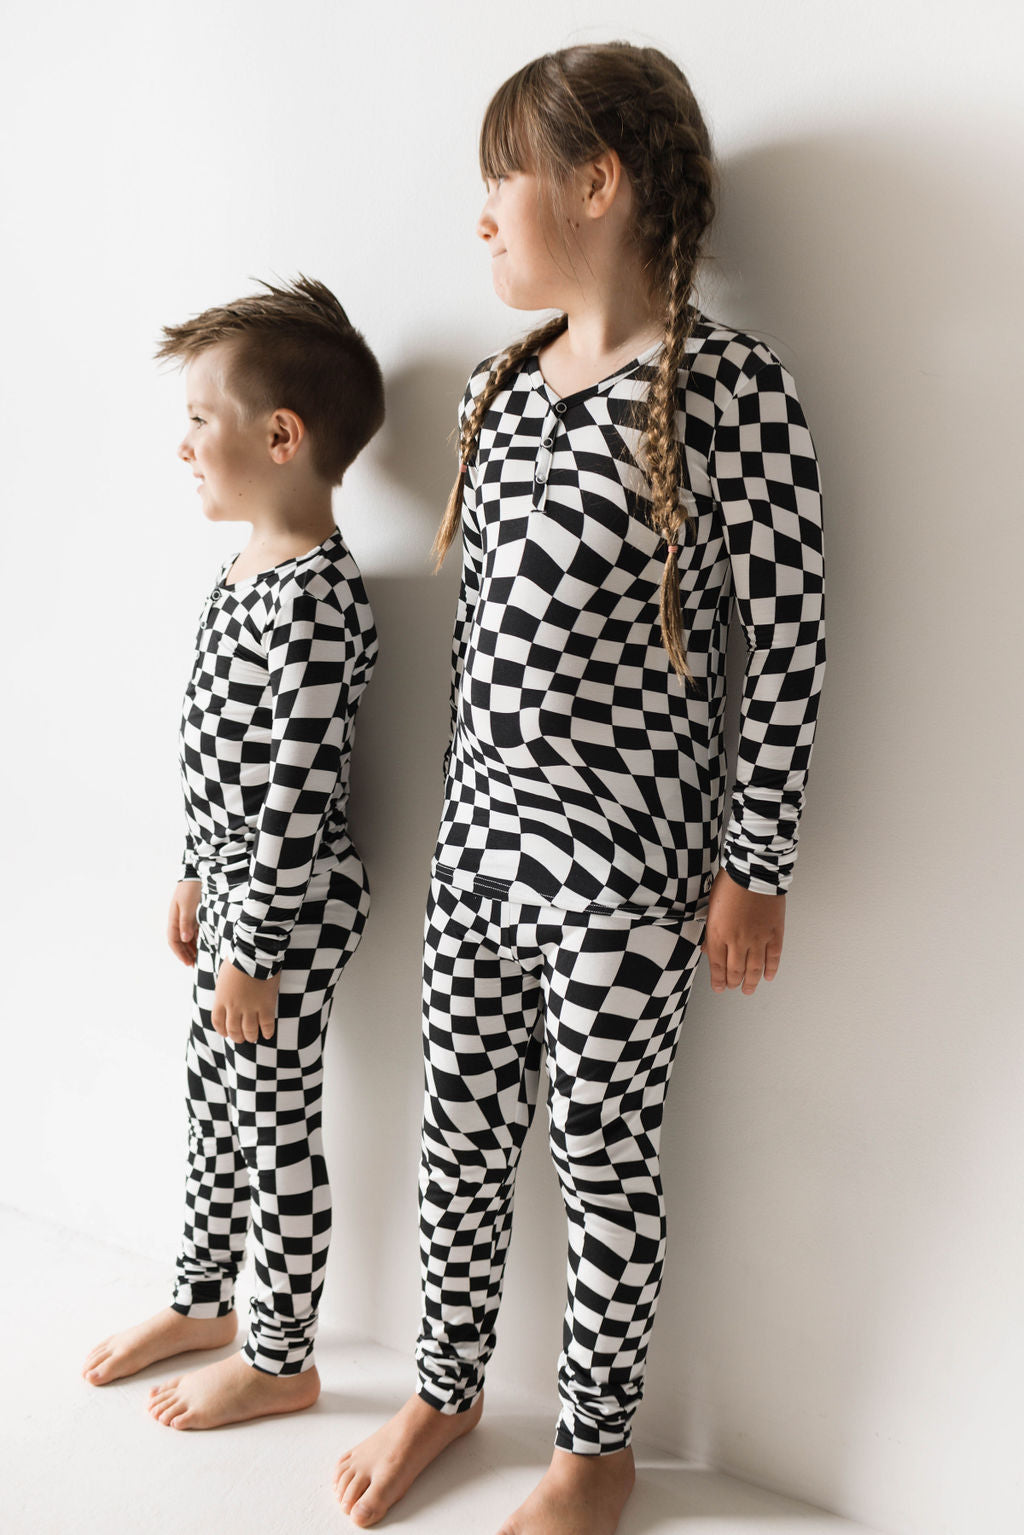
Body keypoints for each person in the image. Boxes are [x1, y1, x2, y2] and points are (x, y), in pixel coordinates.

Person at [334, 40, 826, 1535]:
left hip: (625, 861)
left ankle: (597, 1448)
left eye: (503, 183)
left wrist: (756, 858)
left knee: (606, 1152)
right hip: (481, 840)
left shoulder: (727, 392)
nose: (481, 216)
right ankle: (444, 1377)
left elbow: (789, 637)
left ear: (596, 184)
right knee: (456, 1132)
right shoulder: (507, 386)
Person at [81, 276, 383, 1430]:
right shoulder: (248, 572)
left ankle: (278, 1352)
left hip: (288, 911)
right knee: (215, 1106)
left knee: (274, 1120)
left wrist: (251, 945)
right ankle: (205, 1300)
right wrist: (193, 868)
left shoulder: (316, 599)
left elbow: (295, 798)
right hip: (238, 895)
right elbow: (228, 757)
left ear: (280, 434)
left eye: (200, 419)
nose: (183, 445)